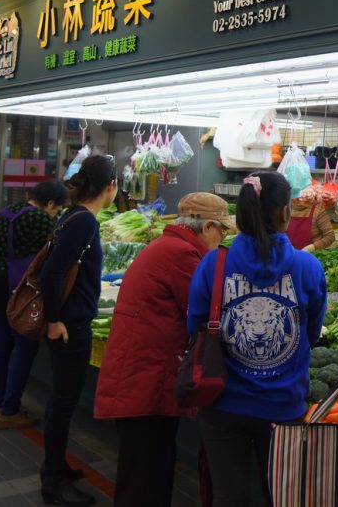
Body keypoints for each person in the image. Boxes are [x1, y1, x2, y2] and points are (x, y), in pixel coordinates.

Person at [188, 170, 327, 507]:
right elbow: (310, 333)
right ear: (284, 213)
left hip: (222, 401)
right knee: (280, 497)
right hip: (283, 406)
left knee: (228, 496)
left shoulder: (214, 263)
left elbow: (194, 325)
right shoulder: (307, 267)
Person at [94, 192, 235, 507]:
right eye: (222, 231)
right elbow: (206, 314)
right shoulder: (181, 255)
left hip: (142, 377)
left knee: (146, 472)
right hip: (146, 382)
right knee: (145, 478)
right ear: (207, 226)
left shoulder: (168, 245)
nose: (223, 238)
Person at [39, 155, 117, 507]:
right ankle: (53, 481)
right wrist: (55, 320)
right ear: (110, 187)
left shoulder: (73, 215)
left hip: (70, 321)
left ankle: (56, 468)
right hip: (70, 327)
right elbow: (52, 273)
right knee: (63, 404)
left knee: (61, 401)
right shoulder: (84, 222)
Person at [0, 179, 68, 430]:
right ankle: (10, 410)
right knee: (24, 347)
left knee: (0, 346)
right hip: (19, 287)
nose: (55, 214)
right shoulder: (40, 219)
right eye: (57, 209)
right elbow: (52, 253)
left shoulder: (7, 210)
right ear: (50, 203)